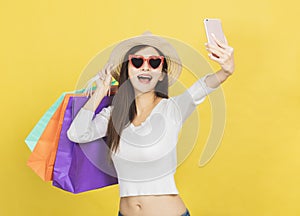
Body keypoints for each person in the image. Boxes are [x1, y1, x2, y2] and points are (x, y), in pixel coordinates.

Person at [67, 31, 235, 216]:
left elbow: (203, 86)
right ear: (127, 71)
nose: (145, 68)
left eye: (154, 62)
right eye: (137, 62)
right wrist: (100, 91)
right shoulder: (114, 116)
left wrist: (226, 70)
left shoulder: (172, 109)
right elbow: (77, 133)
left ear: (161, 75)